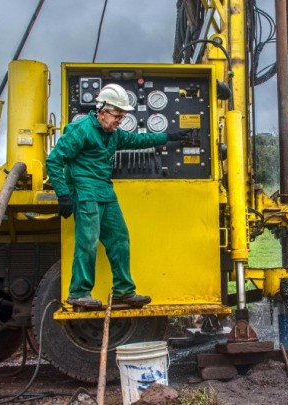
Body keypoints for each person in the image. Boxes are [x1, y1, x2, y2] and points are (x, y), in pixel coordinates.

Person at [46, 83, 188, 308]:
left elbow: (138, 141)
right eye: (117, 116)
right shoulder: (81, 129)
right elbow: (54, 160)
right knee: (88, 242)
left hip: (105, 191)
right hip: (84, 192)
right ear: (102, 112)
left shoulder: (113, 133)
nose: (119, 121)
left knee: (120, 239)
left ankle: (123, 290)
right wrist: (63, 194)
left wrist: (168, 136)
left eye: (122, 117)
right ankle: (79, 292)